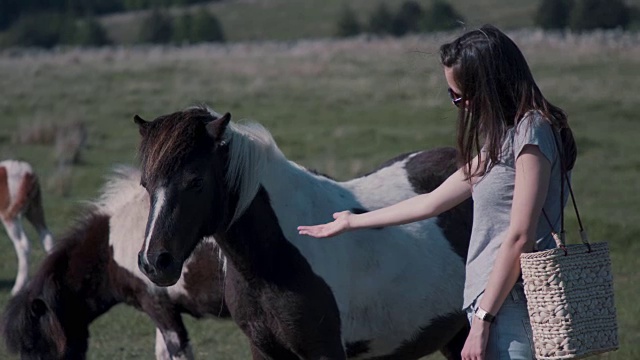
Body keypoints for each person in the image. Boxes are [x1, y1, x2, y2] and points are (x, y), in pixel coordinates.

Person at [297, 24, 577, 360]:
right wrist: (352, 221)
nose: (461, 105)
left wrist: (483, 321)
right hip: (492, 301)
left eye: (459, 95)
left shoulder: (532, 132)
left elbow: (519, 236)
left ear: (489, 86)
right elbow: (432, 201)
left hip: (514, 303)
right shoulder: (502, 137)